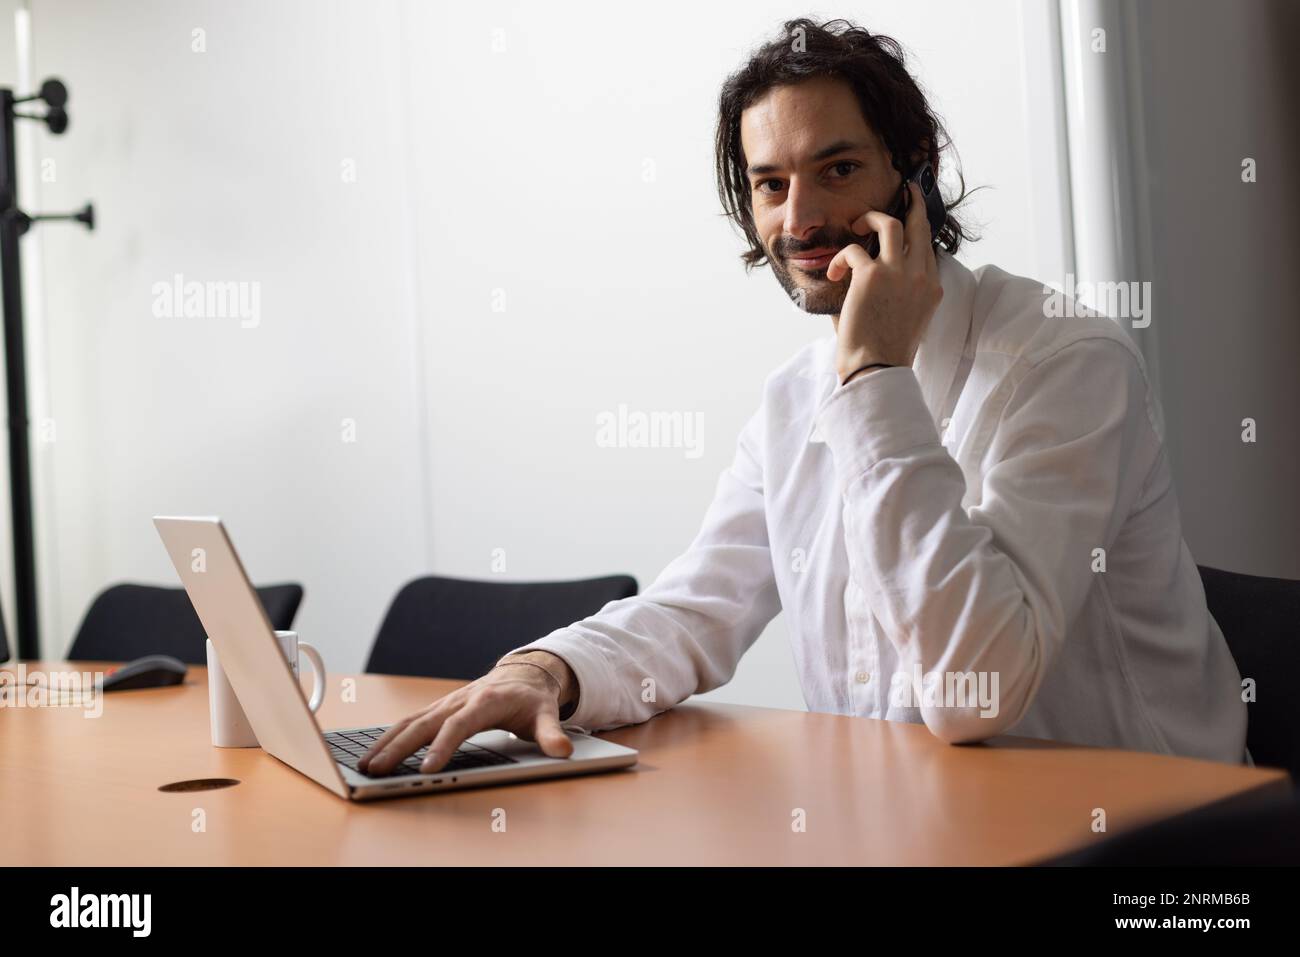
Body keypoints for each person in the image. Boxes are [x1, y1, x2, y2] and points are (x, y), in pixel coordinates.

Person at [360, 17, 1247, 778]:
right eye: (770, 184)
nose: (800, 220)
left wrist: (874, 381)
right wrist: (547, 668)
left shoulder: (1067, 360)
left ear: (915, 169)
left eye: (837, 169)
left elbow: (976, 688)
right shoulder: (794, 399)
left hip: (1156, 841)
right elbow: (699, 605)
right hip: (916, 825)